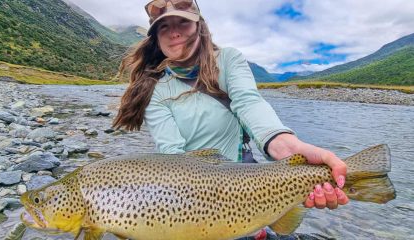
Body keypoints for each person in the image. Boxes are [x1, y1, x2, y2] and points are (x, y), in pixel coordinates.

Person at [113, 0, 349, 238]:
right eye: (164, 27)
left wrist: (288, 147)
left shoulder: (227, 60)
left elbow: (250, 104)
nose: (174, 32)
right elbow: (171, 153)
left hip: (243, 189)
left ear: (199, 26)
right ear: (156, 38)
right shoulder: (156, 88)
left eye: (183, 22)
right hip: (188, 195)